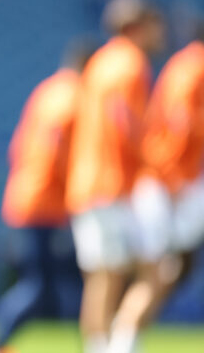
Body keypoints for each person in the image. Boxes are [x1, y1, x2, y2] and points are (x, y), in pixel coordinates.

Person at [0, 40, 94, 353]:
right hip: (48, 203)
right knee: (42, 285)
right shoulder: (75, 97)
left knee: (52, 284)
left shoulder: (47, 92)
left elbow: (19, 147)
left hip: (27, 196)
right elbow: (58, 156)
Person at [64, 0, 165, 353]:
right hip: (115, 183)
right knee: (158, 270)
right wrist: (155, 159)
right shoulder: (131, 62)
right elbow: (126, 121)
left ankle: (98, 347)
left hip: (85, 183)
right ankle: (122, 344)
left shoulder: (100, 62)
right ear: (136, 26)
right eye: (156, 24)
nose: (161, 32)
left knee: (101, 278)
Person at [108, 34, 204, 353]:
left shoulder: (184, 64)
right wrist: (174, 176)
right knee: (160, 269)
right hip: (169, 183)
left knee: (164, 270)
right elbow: (182, 124)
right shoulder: (194, 67)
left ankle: (123, 341)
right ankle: (121, 343)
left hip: (166, 181)